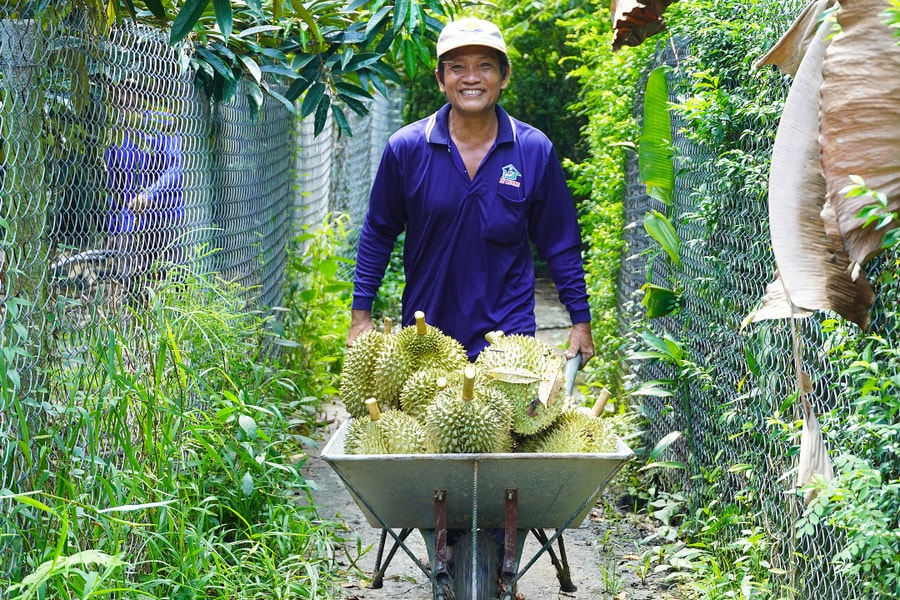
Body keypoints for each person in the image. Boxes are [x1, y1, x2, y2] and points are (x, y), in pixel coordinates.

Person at [347, 16, 594, 367]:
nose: (471, 78)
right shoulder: (406, 149)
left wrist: (580, 321)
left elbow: (560, 241)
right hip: (425, 334)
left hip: (510, 338)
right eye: (457, 67)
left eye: (485, 66)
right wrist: (361, 316)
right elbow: (378, 232)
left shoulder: (534, 150)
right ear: (440, 78)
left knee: (511, 423)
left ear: (504, 76)